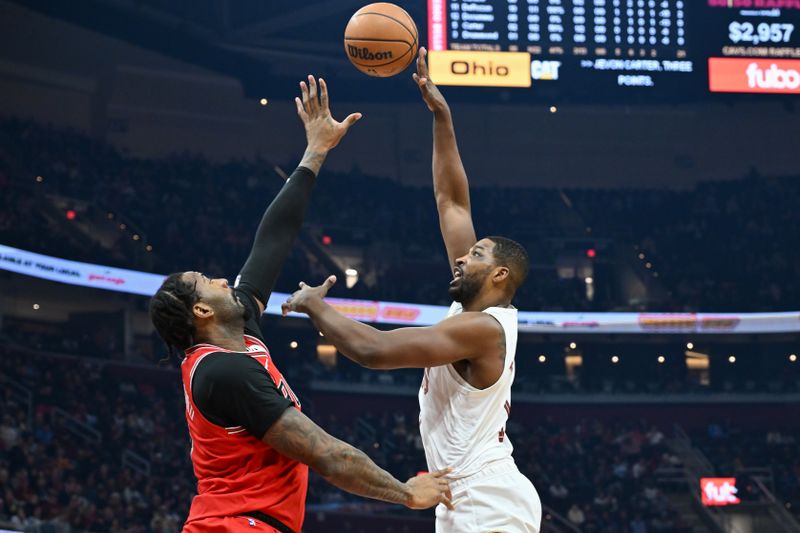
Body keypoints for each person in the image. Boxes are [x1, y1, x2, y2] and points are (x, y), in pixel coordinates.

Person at [149, 75, 452, 533]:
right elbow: (325, 453)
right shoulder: (223, 371)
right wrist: (407, 493)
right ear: (202, 312)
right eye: (204, 281)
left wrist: (317, 149)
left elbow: (272, 240)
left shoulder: (241, 333)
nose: (219, 277)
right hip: (232, 527)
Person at [281, 49, 541, 532]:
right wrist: (442, 118)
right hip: (464, 494)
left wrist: (318, 307)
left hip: (486, 496)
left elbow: (374, 350)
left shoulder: (482, 331)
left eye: (478, 255)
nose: (463, 256)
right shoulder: (474, 311)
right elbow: (452, 203)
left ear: (501, 276)